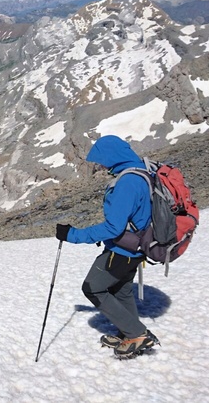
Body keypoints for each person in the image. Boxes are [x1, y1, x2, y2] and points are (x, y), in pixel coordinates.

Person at [55, 135, 159, 358]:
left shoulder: (127, 182)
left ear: (112, 157)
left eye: (102, 160)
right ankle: (130, 333)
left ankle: (136, 334)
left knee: (93, 288)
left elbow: (114, 227)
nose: (100, 166)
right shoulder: (140, 171)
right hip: (138, 247)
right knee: (120, 290)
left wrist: (72, 234)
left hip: (124, 250)